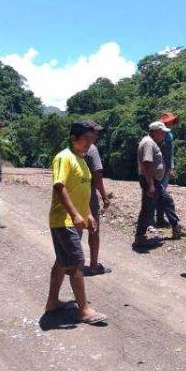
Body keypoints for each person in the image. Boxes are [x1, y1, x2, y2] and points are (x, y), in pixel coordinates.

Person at [45, 120, 106, 324]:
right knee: (77, 263)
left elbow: (83, 191)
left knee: (63, 262)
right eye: (86, 139)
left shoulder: (81, 160)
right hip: (64, 220)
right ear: (73, 138)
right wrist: (74, 214)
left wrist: (87, 213)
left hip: (74, 221)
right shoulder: (64, 158)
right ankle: (84, 310)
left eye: (92, 140)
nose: (90, 143)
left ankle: (52, 302)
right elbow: (59, 186)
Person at [134, 121, 186, 248]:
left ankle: (176, 228)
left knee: (167, 201)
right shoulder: (148, 143)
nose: (163, 134)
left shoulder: (150, 141)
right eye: (162, 132)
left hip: (153, 180)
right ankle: (140, 237)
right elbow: (146, 164)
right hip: (150, 180)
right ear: (154, 132)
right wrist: (151, 185)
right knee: (147, 209)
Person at [83, 120, 112, 275]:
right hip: (88, 195)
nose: (97, 134)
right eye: (95, 132)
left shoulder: (72, 149)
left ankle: (70, 264)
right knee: (93, 231)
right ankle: (93, 265)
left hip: (75, 194)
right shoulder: (92, 150)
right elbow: (97, 176)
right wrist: (104, 197)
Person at [156, 112, 179, 228]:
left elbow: (171, 153)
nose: (171, 122)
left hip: (167, 168)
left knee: (162, 193)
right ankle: (156, 219)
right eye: (170, 120)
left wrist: (172, 167)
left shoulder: (170, 134)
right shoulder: (159, 134)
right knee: (160, 194)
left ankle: (160, 219)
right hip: (159, 168)